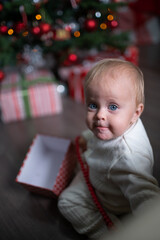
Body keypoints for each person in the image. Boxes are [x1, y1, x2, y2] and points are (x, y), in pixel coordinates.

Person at [58, 58, 160, 239]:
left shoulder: (129, 158)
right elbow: (98, 133)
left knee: (67, 202)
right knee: (75, 159)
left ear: (136, 112)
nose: (99, 116)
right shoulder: (121, 123)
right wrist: (86, 137)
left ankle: (106, 231)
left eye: (112, 106)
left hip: (109, 198)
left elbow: (148, 201)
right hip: (100, 172)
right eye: (92, 105)